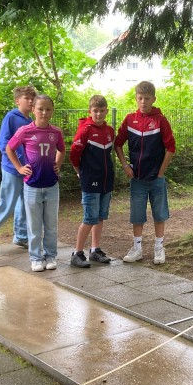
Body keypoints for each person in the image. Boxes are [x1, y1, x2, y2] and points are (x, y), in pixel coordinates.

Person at [114, 80, 176, 265]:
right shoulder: (129, 120)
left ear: (154, 99)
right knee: (137, 215)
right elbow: (118, 143)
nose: (143, 102)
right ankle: (137, 248)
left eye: (147, 98)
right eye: (140, 98)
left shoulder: (160, 121)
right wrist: (125, 165)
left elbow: (171, 148)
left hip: (156, 179)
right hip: (137, 179)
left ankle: (159, 248)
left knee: (159, 214)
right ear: (136, 98)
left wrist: (160, 172)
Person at [4, 93, 65, 272]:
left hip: (51, 185)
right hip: (32, 185)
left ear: (52, 111)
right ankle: (36, 257)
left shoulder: (55, 132)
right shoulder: (25, 130)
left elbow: (62, 150)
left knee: (51, 224)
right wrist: (19, 167)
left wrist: (58, 164)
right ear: (33, 110)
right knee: (34, 225)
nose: (44, 113)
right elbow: (9, 148)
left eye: (48, 109)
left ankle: (50, 255)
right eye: (40, 109)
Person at [0, 84, 36, 251]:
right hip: (12, 169)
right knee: (8, 204)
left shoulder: (30, 121)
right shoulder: (11, 117)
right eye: (27, 98)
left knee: (24, 204)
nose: (31, 101)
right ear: (17, 101)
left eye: (32, 98)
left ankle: (21, 236)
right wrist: (18, 165)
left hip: (26, 170)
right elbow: (4, 144)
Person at [69, 94, 115, 268]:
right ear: (90, 111)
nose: (98, 114)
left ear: (106, 111)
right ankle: (77, 253)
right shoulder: (85, 129)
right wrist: (79, 171)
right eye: (95, 111)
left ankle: (95, 250)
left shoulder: (110, 130)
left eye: (102, 111)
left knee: (100, 217)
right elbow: (74, 153)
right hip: (90, 180)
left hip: (106, 180)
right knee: (89, 218)